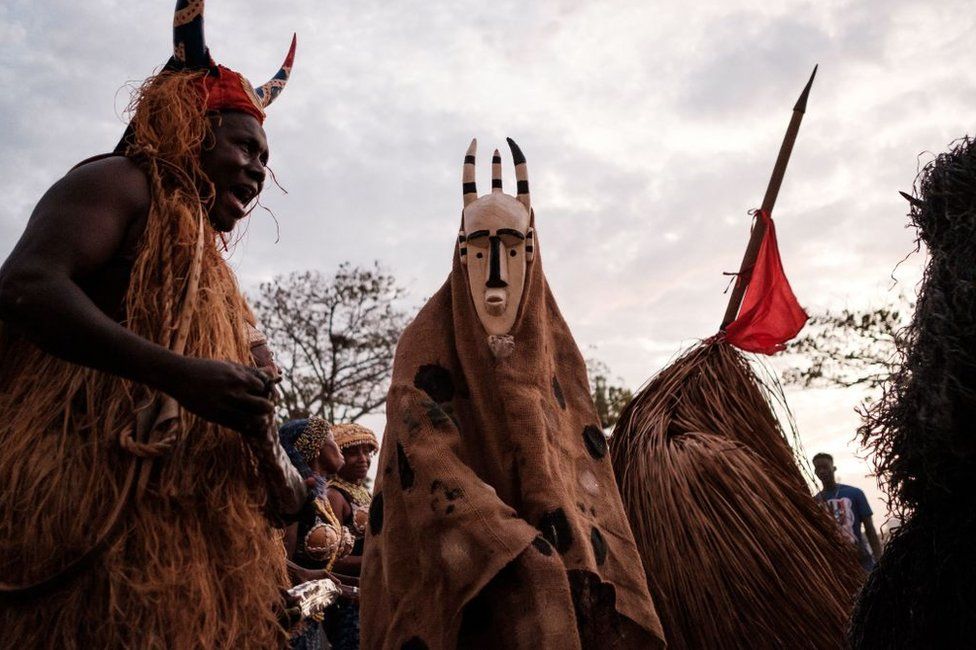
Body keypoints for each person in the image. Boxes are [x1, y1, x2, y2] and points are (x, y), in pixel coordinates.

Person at [0, 2, 305, 646]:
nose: (258, 170)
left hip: (182, 558)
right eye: (246, 146)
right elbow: (28, 286)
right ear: (194, 130)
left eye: (265, 157)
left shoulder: (218, 283)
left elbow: (282, 485)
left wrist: (256, 432)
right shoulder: (119, 183)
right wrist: (177, 375)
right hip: (77, 517)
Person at [361, 140, 664, 649]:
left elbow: (578, 468)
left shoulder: (556, 356)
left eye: (512, 248)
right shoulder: (425, 346)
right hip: (460, 590)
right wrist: (517, 547)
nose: (496, 269)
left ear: (533, 253)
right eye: (480, 249)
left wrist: (574, 555)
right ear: (460, 255)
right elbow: (424, 462)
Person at [280, 417, 358, 650]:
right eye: (332, 440)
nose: (339, 449)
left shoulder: (318, 497)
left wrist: (357, 586)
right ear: (315, 448)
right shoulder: (295, 497)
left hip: (314, 613)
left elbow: (322, 572)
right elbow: (281, 564)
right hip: (293, 620)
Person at [325, 422, 379, 650]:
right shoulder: (334, 496)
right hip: (347, 600)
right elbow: (329, 562)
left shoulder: (366, 494)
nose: (363, 458)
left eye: (367, 451)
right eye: (353, 452)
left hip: (370, 594)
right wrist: (377, 562)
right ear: (338, 455)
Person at [813, 452, 882, 571]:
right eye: (818, 468)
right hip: (836, 565)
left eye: (825, 467)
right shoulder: (815, 501)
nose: (822, 471)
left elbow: (869, 529)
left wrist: (880, 560)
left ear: (833, 468)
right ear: (815, 472)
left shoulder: (854, 493)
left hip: (861, 559)